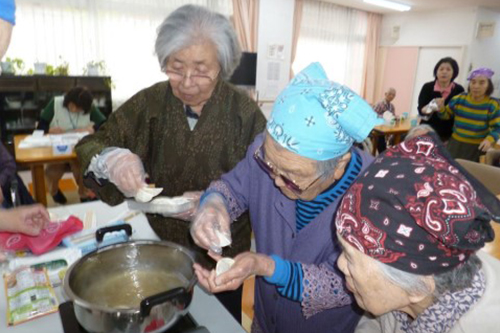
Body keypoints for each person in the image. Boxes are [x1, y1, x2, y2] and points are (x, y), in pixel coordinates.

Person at [75, 5, 266, 322]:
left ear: (223, 65)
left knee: (219, 323)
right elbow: (91, 144)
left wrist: (218, 204)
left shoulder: (245, 115)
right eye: (176, 68)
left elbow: (269, 186)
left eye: (202, 70)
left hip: (222, 260)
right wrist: (113, 159)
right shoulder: (151, 104)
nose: (188, 82)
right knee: (160, 320)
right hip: (159, 251)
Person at [190, 62, 383, 333]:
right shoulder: (268, 151)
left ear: (339, 166)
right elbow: (233, 187)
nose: (275, 181)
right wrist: (213, 206)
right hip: (265, 318)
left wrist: (266, 267)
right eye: (270, 164)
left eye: (291, 177)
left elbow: (346, 285)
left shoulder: (374, 194)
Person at [335, 132, 500, 333]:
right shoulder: (401, 289)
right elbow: (375, 322)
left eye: (350, 257)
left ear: (417, 288)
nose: (340, 264)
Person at [37, 86, 106, 203]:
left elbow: (104, 123)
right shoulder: (56, 103)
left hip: (78, 149)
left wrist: (93, 128)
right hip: (57, 149)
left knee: (84, 168)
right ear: (67, 100)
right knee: (51, 172)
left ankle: (84, 196)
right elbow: (40, 127)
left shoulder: (89, 106)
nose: (74, 109)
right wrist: (49, 130)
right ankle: (54, 192)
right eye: (72, 105)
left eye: (78, 108)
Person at [432, 67, 500, 162]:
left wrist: (489, 139)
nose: (476, 86)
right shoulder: (459, 98)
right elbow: (445, 116)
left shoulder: (492, 104)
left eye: (482, 83)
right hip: (455, 144)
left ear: (489, 85)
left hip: (477, 147)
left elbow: (497, 128)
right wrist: (441, 108)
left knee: (470, 173)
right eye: (473, 82)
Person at [417, 57, 465, 142]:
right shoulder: (427, 87)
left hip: (448, 134)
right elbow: (421, 110)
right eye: (441, 69)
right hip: (426, 131)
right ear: (436, 72)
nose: (444, 72)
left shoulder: (459, 90)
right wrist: (431, 106)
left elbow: (459, 113)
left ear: (454, 72)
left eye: (448, 69)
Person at [373, 88, 396, 153]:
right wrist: (383, 116)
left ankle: (390, 151)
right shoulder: (379, 104)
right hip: (378, 127)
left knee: (397, 135)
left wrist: (395, 117)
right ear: (385, 94)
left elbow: (393, 116)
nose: (391, 96)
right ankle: (382, 152)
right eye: (390, 94)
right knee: (381, 139)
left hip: (388, 127)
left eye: (393, 95)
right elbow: (373, 115)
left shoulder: (392, 106)